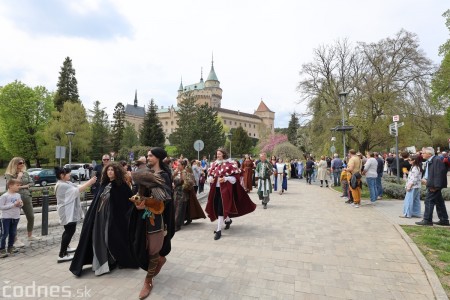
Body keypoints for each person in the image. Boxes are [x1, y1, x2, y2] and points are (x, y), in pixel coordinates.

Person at [70, 163, 138, 274]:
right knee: (99, 238)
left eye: (112, 170)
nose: (110, 172)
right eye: (108, 170)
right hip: (100, 218)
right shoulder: (104, 184)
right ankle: (104, 261)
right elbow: (97, 202)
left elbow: (127, 205)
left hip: (114, 220)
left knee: (111, 238)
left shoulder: (122, 186)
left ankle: (113, 260)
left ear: (117, 172)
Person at [129, 147, 175, 299]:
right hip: (143, 216)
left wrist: (147, 202)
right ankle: (158, 261)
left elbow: (165, 199)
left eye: (150, 156)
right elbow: (139, 192)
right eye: (147, 155)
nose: (147, 158)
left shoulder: (164, 176)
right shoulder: (145, 172)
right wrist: (137, 200)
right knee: (143, 245)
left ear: (159, 158)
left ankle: (148, 281)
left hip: (156, 218)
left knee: (153, 248)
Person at [205, 148, 256, 240]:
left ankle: (218, 230)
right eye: (217, 154)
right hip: (215, 190)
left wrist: (226, 179)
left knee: (220, 209)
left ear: (224, 154)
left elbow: (234, 179)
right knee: (217, 207)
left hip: (225, 191)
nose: (218, 156)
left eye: (219, 154)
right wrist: (210, 179)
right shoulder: (214, 164)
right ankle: (228, 220)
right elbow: (210, 176)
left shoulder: (230, 165)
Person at [55, 167, 97, 263]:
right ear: (62, 175)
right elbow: (79, 190)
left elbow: (78, 187)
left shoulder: (66, 183)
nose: (70, 175)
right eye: (68, 173)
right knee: (69, 231)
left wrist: (89, 182)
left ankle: (66, 247)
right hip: (66, 212)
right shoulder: (62, 185)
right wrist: (90, 181)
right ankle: (62, 254)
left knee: (68, 230)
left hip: (68, 211)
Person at [5, 157, 39, 245]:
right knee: (15, 219)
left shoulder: (26, 173)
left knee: (31, 216)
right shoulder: (9, 174)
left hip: (26, 197)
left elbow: (32, 183)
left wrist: (21, 186)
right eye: (20, 163)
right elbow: (12, 186)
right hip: (15, 199)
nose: (22, 164)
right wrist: (20, 179)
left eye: (23, 162)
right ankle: (15, 239)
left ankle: (30, 235)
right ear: (15, 163)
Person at [416, 147, 449, 226]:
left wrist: (435, 186)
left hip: (434, 186)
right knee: (439, 202)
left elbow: (439, 174)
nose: (422, 154)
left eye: (424, 153)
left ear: (429, 154)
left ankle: (427, 220)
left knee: (428, 201)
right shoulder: (431, 160)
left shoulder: (436, 160)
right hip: (432, 184)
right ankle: (444, 220)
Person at [0, 179, 23, 258]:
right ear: (10, 186)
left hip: (15, 217)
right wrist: (13, 205)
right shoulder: (4, 196)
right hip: (6, 218)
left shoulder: (18, 195)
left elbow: (21, 204)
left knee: (13, 233)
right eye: (17, 185)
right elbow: (1, 207)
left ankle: (10, 247)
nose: (19, 187)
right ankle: (2, 249)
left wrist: (20, 204)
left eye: (19, 185)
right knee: (4, 233)